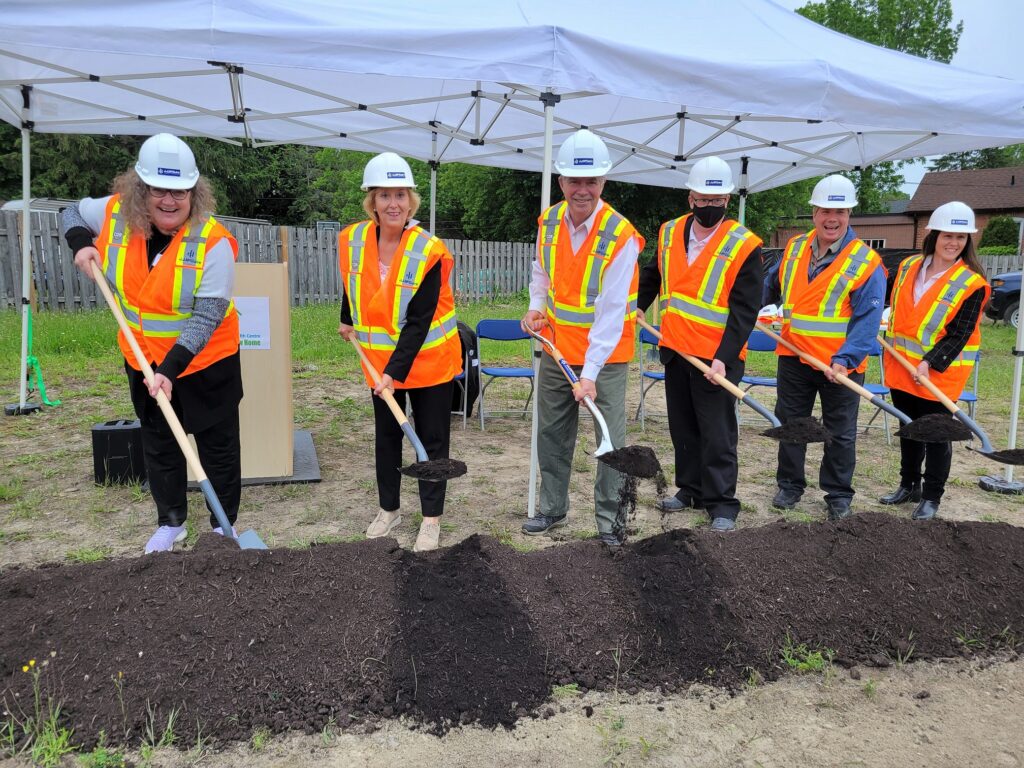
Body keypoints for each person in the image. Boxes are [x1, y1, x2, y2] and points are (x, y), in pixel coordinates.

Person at [62, 133, 243, 554]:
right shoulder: (113, 214)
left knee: (217, 446)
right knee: (159, 439)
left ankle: (222, 528)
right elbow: (70, 211)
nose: (169, 200)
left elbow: (207, 316)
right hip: (142, 357)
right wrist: (81, 243)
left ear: (194, 194)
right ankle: (171, 522)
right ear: (139, 189)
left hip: (205, 361)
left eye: (179, 191)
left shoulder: (214, 242)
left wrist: (170, 371)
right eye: (159, 189)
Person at [520, 129, 644, 546]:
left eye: (591, 181)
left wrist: (589, 373)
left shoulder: (620, 236)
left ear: (603, 183)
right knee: (552, 435)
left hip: (604, 360)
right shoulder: (548, 221)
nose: (583, 190)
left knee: (609, 442)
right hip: (556, 350)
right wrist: (537, 307)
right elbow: (542, 273)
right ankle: (552, 509)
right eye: (575, 181)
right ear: (562, 183)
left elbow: (610, 315)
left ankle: (610, 523)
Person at [337, 152, 461, 552]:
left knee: (431, 439)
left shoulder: (429, 250)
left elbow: (419, 321)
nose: (394, 203)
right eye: (385, 194)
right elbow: (353, 283)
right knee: (387, 437)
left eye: (401, 195)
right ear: (371, 200)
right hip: (378, 362)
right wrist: (346, 317)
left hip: (428, 361)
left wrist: (393, 372)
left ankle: (431, 519)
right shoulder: (353, 239)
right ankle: (388, 508)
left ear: (412, 201)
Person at [636, 157, 763, 532]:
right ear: (690, 197)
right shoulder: (670, 232)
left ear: (727, 198)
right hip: (675, 348)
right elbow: (653, 274)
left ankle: (722, 502)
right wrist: (638, 306)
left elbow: (745, 310)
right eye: (703, 199)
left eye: (717, 200)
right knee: (684, 427)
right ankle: (689, 488)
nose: (710, 207)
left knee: (718, 432)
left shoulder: (745, 245)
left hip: (715, 358)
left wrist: (724, 358)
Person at [763, 175, 886, 520]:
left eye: (841, 211)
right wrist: (748, 307)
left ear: (849, 214)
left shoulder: (865, 262)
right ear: (814, 212)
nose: (832, 218)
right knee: (792, 424)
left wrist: (845, 359)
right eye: (825, 210)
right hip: (794, 355)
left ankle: (837, 493)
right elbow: (771, 286)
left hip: (839, 367)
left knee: (840, 433)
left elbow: (867, 320)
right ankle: (789, 485)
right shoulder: (795, 247)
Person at [880, 202, 989, 520]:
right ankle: (908, 484)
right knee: (909, 429)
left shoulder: (972, 283)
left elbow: (960, 334)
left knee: (937, 435)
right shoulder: (908, 267)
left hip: (939, 374)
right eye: (948, 235)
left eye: (960, 237)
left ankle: (931, 496)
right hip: (902, 366)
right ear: (934, 235)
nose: (953, 243)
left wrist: (929, 362)